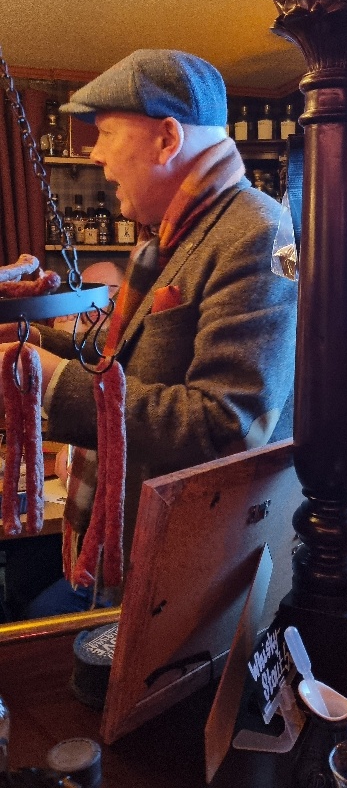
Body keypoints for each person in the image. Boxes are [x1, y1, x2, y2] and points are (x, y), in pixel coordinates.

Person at [0, 49, 298, 615]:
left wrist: (52, 382)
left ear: (166, 139)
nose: (95, 153)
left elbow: (226, 426)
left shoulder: (256, 232)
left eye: (106, 133)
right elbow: (119, 357)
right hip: (132, 544)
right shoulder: (165, 240)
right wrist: (28, 343)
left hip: (190, 575)